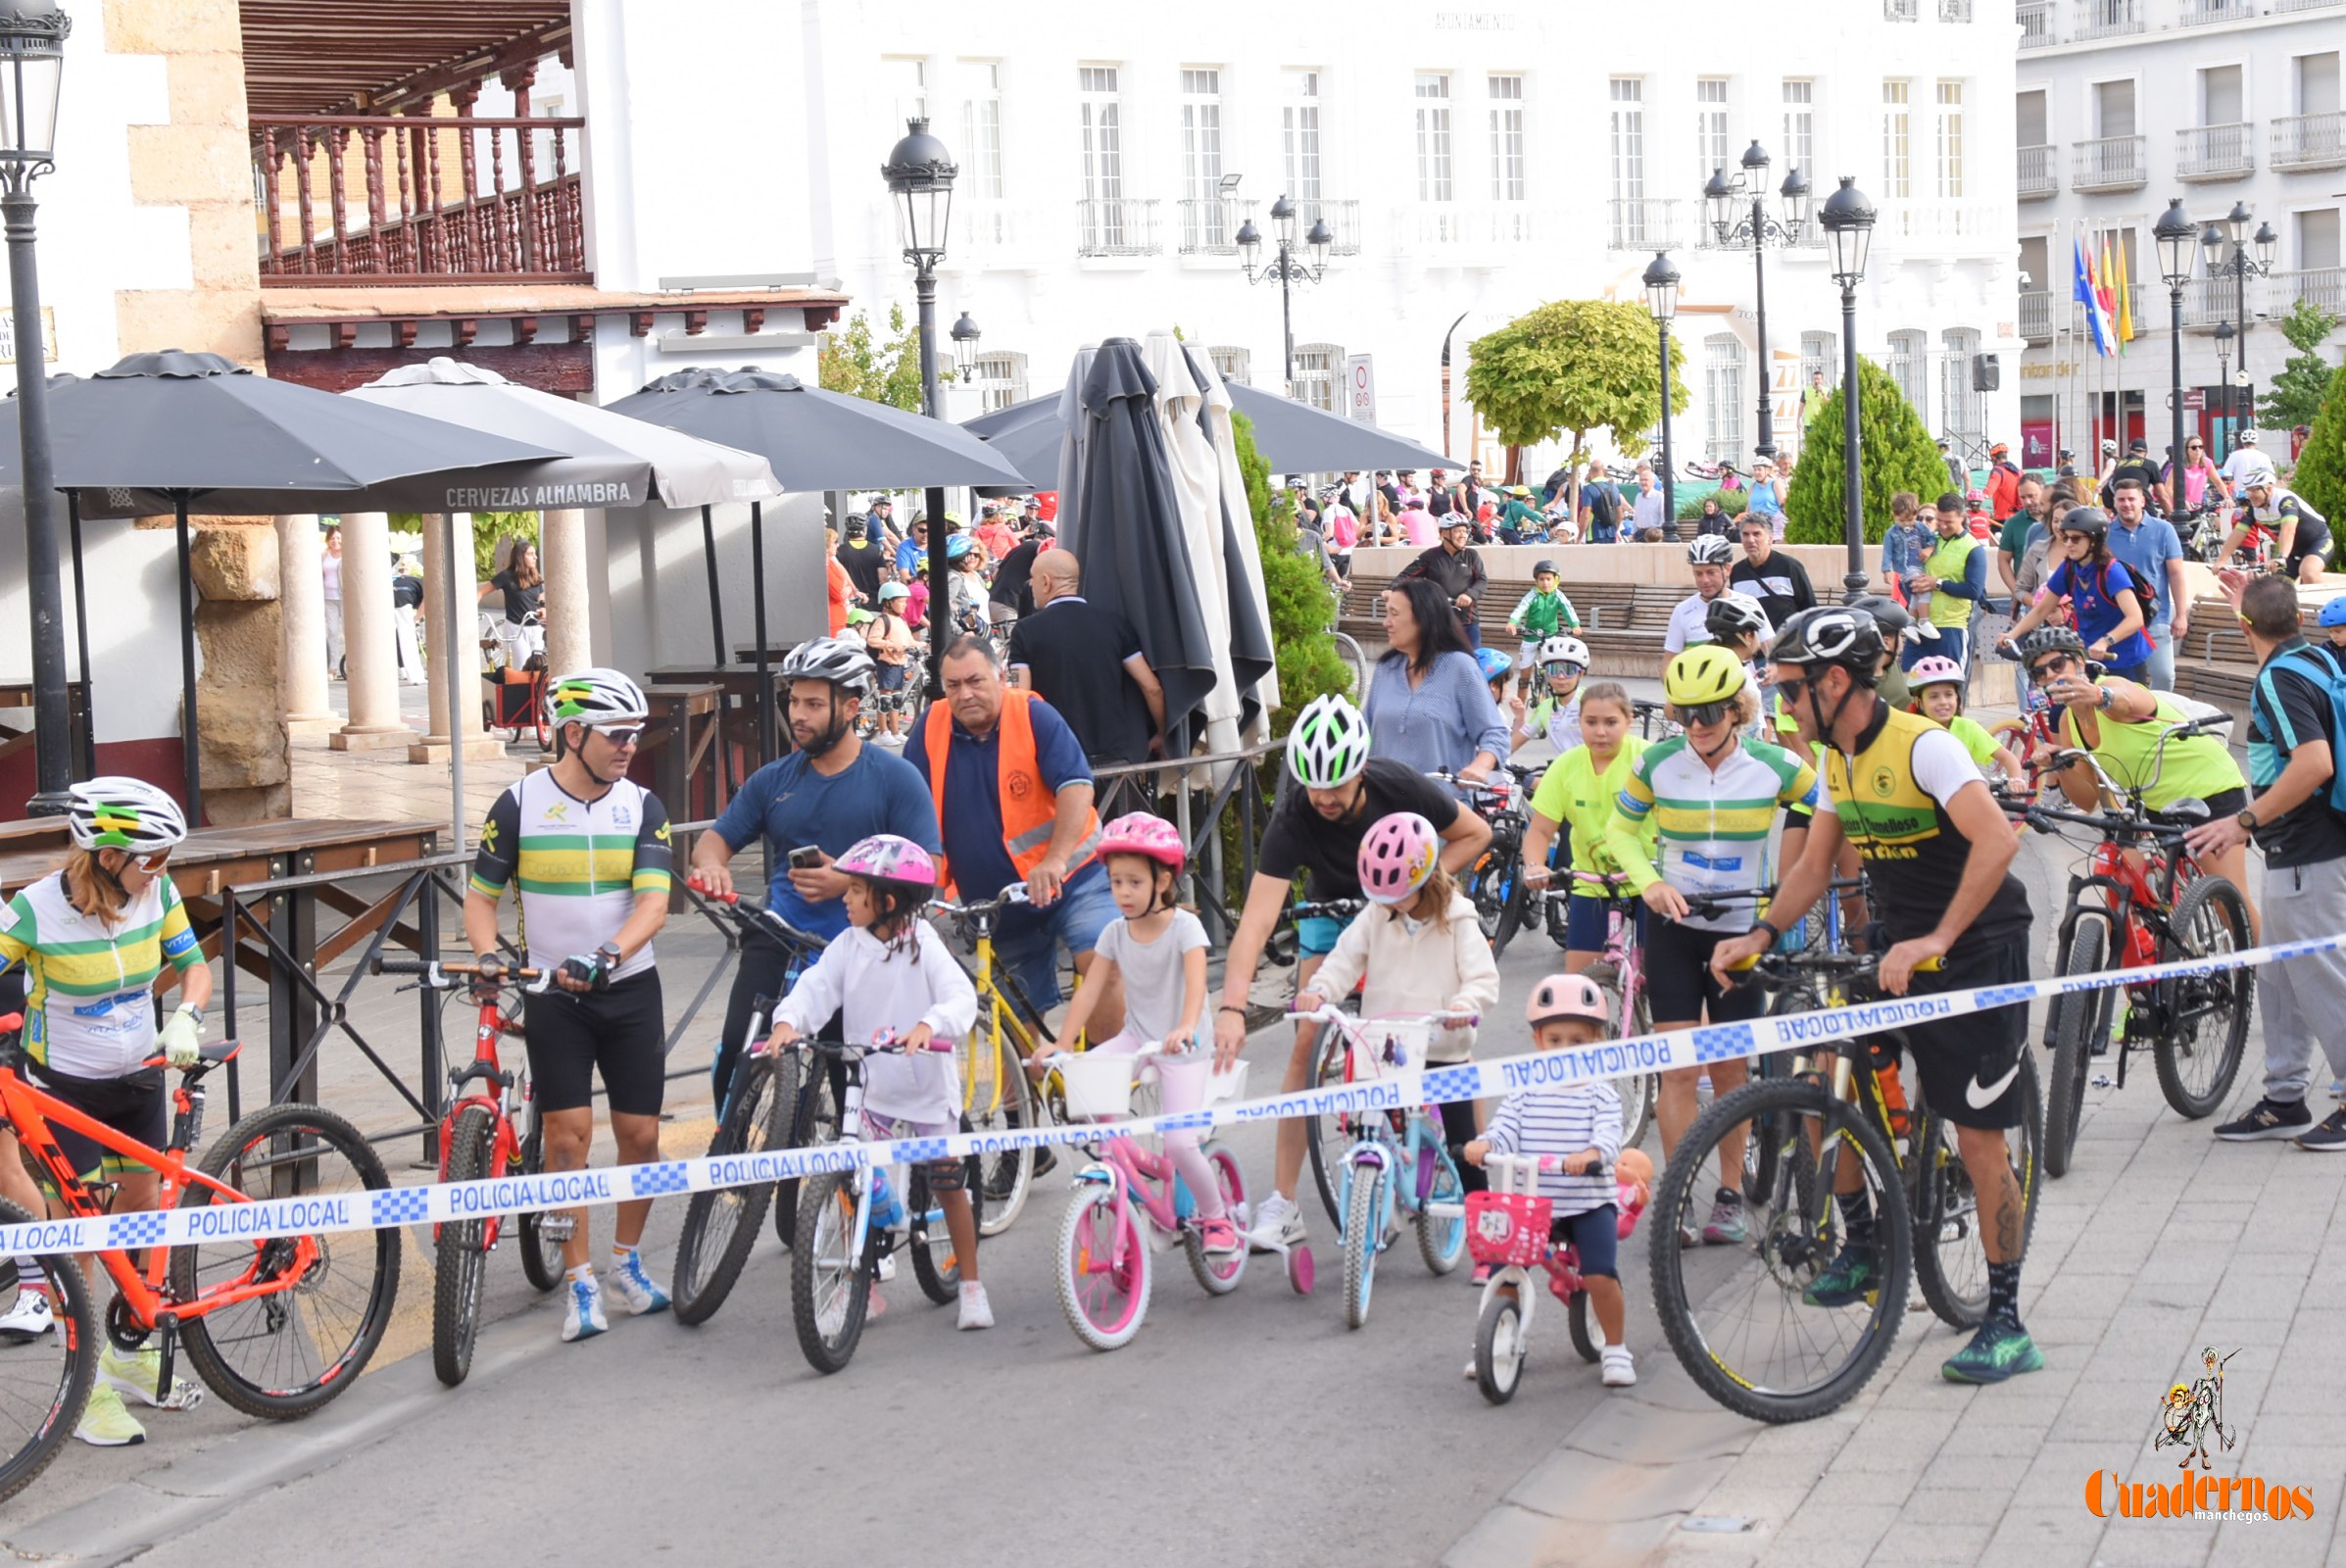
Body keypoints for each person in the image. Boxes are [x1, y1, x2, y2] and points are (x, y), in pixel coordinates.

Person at [1723, 605, 2040, 1384]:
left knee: (1978, 1138)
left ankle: (2006, 1318)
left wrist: (1936, 940)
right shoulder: (1836, 759)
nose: (1786, 707)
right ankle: (1862, 1245)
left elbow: (1999, 838)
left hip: (1976, 953)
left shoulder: (1923, 747)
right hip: (1897, 949)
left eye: (1794, 691)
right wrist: (1761, 936)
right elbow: (1811, 867)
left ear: (1837, 681)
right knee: (1830, 1070)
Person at [1215, 696, 1491, 1250]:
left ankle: (1470, 1171)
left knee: (1440, 1032)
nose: (1324, 799)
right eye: (1313, 786)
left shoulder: (1398, 786)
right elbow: (1254, 925)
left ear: (1362, 771)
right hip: (1330, 916)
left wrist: (1414, 887)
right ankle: (1285, 1202)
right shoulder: (1296, 814)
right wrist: (1230, 1008)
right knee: (1306, 1044)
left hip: (1405, 905)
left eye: (1337, 787)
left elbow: (1476, 834)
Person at [465, 668, 674, 1344]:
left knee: (640, 1136)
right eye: (617, 736)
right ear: (574, 733)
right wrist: (487, 953)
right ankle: (580, 1280)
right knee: (566, 1140)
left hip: (630, 988)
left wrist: (609, 954)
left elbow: (654, 902)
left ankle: (626, 1264)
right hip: (554, 994)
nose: (628, 748)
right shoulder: (518, 804)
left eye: (635, 735)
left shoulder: (643, 804)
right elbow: (480, 897)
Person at [0, 778, 212, 1445]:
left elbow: (195, 966)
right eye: (151, 855)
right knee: (82, 1236)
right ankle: (85, 1385)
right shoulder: (33, 910)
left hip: (139, 1077)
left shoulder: (159, 893)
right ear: (107, 854)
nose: (162, 867)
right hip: (66, 1085)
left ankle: (129, 1351)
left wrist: (186, 1013)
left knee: (143, 1213)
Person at [1606, 646, 1818, 1248]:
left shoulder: (1773, 765)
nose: (1698, 726)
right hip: (1673, 929)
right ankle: (1677, 1197)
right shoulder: (1658, 764)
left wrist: (1795, 861)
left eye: (1713, 712)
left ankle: (1728, 1193)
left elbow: (1825, 800)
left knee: (1728, 1071)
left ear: (1738, 709)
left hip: (1740, 934)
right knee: (1678, 1071)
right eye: (1687, 714)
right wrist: (1648, 883)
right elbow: (1620, 830)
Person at [690, 635, 939, 1099]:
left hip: (864, 948)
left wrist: (847, 880)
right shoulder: (774, 778)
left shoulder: (895, 778)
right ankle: (730, 1151)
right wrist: (712, 866)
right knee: (737, 1052)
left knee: (857, 1081)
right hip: (779, 934)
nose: (798, 714)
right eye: (793, 701)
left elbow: (930, 868)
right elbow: (713, 842)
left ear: (849, 708)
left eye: (813, 704)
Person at [763, 834, 992, 1329]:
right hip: (872, 1087)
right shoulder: (848, 946)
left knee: (949, 1181)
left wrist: (931, 1024)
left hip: (925, 1085)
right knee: (855, 1185)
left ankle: (972, 1285)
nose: (844, 897)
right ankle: (860, 1286)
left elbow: (960, 997)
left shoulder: (924, 945)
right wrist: (789, 1022)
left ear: (886, 901)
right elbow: (815, 987)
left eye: (854, 890)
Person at [2188, 575, 2346, 1147]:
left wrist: (2243, 820)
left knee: (2321, 975)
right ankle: (2284, 1098)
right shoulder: (2315, 658)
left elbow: (2313, 763)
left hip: (2309, 848)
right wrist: (2247, 605)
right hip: (2308, 847)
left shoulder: (2276, 678)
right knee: (2279, 975)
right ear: (2299, 621)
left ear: (2245, 628)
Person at [912, 635, 1122, 1036]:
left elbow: (1077, 786)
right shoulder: (931, 727)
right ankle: (1025, 1100)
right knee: (1015, 1030)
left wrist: (1055, 860)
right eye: (953, 685)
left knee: (1101, 965)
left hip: (1075, 880)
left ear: (1001, 677)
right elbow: (910, 805)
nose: (965, 694)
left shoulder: (1033, 715)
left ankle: (1105, 1080)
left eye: (975, 681)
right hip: (998, 904)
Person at [1294, 811, 1500, 1209]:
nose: (1389, 904)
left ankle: (1485, 1240)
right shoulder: (1377, 914)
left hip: (1443, 1047)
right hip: (1386, 1048)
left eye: (1398, 894)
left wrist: (1465, 1004)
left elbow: (1483, 978)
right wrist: (1319, 990)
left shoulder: (1458, 920)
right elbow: (1345, 959)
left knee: (1464, 1149)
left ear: (1427, 879)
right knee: (1367, 1128)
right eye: (1380, 895)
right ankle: (1375, 1204)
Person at [1050, 813, 1235, 1253]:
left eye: (1134, 882)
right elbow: (1089, 991)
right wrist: (1060, 1046)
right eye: (1116, 883)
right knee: (1084, 1086)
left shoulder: (1184, 928)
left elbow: (1196, 988)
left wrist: (1187, 1027)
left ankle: (1217, 1219)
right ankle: (1138, 1167)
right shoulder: (1115, 933)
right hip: (1138, 1036)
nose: (1123, 893)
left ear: (1163, 880)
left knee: (1181, 1143)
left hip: (1184, 1049)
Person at [1465, 973, 1636, 1388]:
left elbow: (1610, 1135)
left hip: (1587, 1200)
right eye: (1555, 1040)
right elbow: (1505, 1128)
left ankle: (1615, 1348)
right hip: (1533, 1203)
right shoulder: (1525, 1091)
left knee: (1599, 1274)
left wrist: (1593, 1155)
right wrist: (1485, 1143)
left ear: (1596, 1042)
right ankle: (1494, 1341)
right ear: (1538, 1042)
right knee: (1504, 1267)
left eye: (1577, 1041)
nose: (1565, 1050)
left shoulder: (1601, 1094)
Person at [2022, 626, 2254, 925]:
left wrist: (2099, 694)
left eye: (2058, 665)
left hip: (2207, 788)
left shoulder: (2111, 686)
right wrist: (2062, 764)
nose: (2051, 675)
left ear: (2079, 662)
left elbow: (2129, 700)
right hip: (2153, 802)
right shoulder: (2068, 721)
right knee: (2122, 884)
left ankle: (2261, 971)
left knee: (2230, 906)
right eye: (2040, 673)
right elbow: (2087, 798)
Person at [1520, 684, 1652, 975]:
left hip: (1650, 879)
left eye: (1611, 722)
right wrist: (1534, 866)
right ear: (1579, 721)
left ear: (1629, 722)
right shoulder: (1566, 766)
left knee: (1663, 979)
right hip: (1593, 879)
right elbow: (1540, 831)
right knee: (1577, 986)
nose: (1600, 732)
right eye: (1591, 722)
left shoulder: (1649, 760)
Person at [1007, 549, 1166, 767]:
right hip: (1115, 757)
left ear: (1045, 582)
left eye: (1032, 579)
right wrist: (1162, 733)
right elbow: (1152, 688)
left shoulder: (1025, 631)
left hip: (1058, 757)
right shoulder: (1114, 624)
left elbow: (1021, 698)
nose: (1030, 587)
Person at [1367, 576, 1510, 789]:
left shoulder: (1460, 668)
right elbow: (1363, 732)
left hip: (1442, 807)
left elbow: (1494, 732)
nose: (1386, 622)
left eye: (1394, 614)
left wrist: (1481, 765)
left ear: (1423, 618)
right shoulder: (1385, 669)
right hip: (1385, 804)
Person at [2002, 507, 2153, 684]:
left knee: (2118, 709)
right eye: (2065, 537)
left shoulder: (2111, 572)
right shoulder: (2069, 568)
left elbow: (2135, 618)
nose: (2068, 544)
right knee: (2065, 708)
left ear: (2094, 541)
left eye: (2075, 538)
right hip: (2087, 654)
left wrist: (2105, 641)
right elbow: (2042, 608)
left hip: (2123, 657)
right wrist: (2012, 634)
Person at [2104, 477, 2191, 691]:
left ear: (2142, 501)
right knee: (2125, 683)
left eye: (2131, 499)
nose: (2127, 504)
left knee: (2165, 676)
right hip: (2117, 620)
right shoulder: (2104, 534)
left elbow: (2176, 573)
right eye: (2121, 499)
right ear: (2114, 503)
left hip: (2155, 617)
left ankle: (2157, 718)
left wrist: (2180, 615)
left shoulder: (2164, 530)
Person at [1901, 494, 1991, 670]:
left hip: (1952, 628)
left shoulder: (1972, 548)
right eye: (1939, 520)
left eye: (1948, 522)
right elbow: (1905, 575)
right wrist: (1913, 584)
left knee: (1950, 688)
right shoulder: (1929, 541)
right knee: (1910, 688)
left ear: (1962, 517)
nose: (1942, 526)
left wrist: (1937, 584)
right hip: (1921, 628)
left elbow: (1974, 590)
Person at [1907, 656, 2024, 780]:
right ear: (1919, 703)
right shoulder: (1910, 731)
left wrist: (2016, 779)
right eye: (1934, 696)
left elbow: (2008, 758)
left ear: (1957, 698)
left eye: (1949, 694)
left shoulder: (1968, 728)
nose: (1943, 702)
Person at [1396, 514, 1491, 649]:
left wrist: (1470, 594)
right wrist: (1391, 589)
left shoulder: (1471, 555)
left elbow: (1482, 580)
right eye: (1458, 531)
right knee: (1436, 663)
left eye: (1465, 531)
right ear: (1444, 533)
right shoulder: (1430, 556)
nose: (1463, 535)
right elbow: (1406, 576)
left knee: (1471, 663)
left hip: (1467, 621)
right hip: (1438, 621)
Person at [2220, 474, 2332, 584]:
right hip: (2292, 551)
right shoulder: (2253, 508)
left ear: (2268, 489)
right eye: (2248, 490)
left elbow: (2288, 530)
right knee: (2275, 589)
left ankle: (2327, 603)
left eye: (2254, 490)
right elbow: (2238, 533)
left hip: (2318, 541)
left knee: (2308, 572)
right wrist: (2221, 561)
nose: (2250, 495)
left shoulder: (2286, 501)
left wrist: (2281, 556)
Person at [1730, 514, 1815, 632]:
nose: (1750, 540)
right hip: (1753, 647)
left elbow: (1809, 609)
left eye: (1757, 534)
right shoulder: (1737, 572)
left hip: (1786, 645)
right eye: (1745, 534)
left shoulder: (1789, 567)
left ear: (1770, 539)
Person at [1511, 634, 1592, 756]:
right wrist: (1520, 718)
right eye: (1554, 670)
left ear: (1580, 674)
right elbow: (1514, 743)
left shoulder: (1591, 700)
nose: (1560, 676)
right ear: (1546, 674)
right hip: (1562, 772)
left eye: (1568, 670)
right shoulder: (1545, 708)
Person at [1506, 559, 1579, 687]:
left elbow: (1568, 609)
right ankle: (1521, 704)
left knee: (1553, 672)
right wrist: (1512, 622)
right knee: (1524, 678)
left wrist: (1575, 625)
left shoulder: (1558, 595)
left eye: (1548, 579)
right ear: (1536, 581)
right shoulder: (1532, 595)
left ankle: (1549, 700)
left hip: (1551, 637)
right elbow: (1521, 608)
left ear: (1555, 579)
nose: (1545, 582)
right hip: (1530, 637)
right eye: (1541, 579)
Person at [860, 583, 917, 741]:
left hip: (899, 663)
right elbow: (872, 640)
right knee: (886, 698)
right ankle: (884, 731)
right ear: (888, 602)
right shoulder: (883, 620)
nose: (904, 605)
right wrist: (890, 645)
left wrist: (924, 645)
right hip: (886, 664)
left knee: (897, 699)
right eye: (901, 601)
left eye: (905, 601)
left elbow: (910, 641)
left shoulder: (901, 621)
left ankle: (895, 730)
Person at [1664, 536, 1740, 653]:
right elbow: (1669, 661)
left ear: (1727, 570)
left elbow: (1769, 653)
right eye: (1698, 574)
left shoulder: (1747, 604)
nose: (1705, 580)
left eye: (1711, 572)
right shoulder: (1682, 611)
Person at [481, 537, 547, 670]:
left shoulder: (535, 575)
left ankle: (537, 691)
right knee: (522, 665)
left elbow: (541, 595)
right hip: (516, 627)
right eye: (530, 554)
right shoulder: (507, 576)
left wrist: (542, 608)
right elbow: (481, 592)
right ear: (520, 557)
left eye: (535, 554)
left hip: (535, 626)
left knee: (539, 665)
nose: (535, 557)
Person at [1881, 493, 1936, 608]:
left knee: (1915, 600)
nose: (1906, 524)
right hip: (1906, 570)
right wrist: (1886, 570)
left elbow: (1933, 538)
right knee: (1924, 594)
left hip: (1922, 567)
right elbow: (1887, 553)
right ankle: (1924, 620)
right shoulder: (1891, 533)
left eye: (1910, 520)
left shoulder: (1920, 527)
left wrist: (1930, 548)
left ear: (1915, 515)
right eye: (1902, 521)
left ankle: (1914, 622)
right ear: (1895, 516)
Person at [990, 519, 1046, 629]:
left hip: (995, 600)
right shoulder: (1037, 548)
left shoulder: (1020, 547)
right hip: (1010, 605)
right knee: (1013, 644)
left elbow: (995, 574)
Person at [2163, 436, 2226, 516]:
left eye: (2200, 447)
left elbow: (2218, 482)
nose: (2198, 450)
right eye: (2193, 447)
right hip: (2179, 508)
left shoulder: (2207, 463)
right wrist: (2181, 502)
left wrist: (2227, 497)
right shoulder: (2179, 465)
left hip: (2196, 506)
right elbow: (2168, 488)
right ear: (2187, 450)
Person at [836, 514, 890, 605]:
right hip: (873, 601)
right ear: (865, 530)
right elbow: (883, 578)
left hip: (851, 602)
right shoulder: (876, 550)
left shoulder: (839, 551)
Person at [2099, 437, 2163, 512]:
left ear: (2130, 451)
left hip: (2122, 511)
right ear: (2146, 453)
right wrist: (2173, 520)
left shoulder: (2120, 464)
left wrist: (2100, 483)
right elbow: (2161, 495)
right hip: (2144, 509)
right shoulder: (2150, 464)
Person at [2217, 427, 2275, 495]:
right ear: (2256, 442)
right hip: (2258, 493)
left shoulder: (2235, 455)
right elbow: (2271, 475)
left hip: (2240, 493)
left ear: (2242, 442)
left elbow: (2226, 473)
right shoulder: (2264, 456)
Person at [321, 522, 345, 680]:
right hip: (329, 598)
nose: (335, 541)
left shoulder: (347, 554)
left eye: (337, 537)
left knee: (348, 631)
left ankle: (348, 664)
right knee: (332, 632)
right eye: (332, 538)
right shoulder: (324, 555)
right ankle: (333, 666)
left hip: (344, 597)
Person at [1743, 456, 1787, 539]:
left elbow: (1784, 505)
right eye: (1755, 469)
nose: (1756, 472)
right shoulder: (1752, 486)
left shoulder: (1775, 484)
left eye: (1759, 469)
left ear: (1767, 470)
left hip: (1773, 529)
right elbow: (1748, 508)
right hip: (1756, 528)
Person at [824, 521, 855, 637]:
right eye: (835, 542)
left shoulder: (831, 562)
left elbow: (846, 586)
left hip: (839, 618)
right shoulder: (825, 565)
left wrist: (848, 587)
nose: (838, 545)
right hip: (833, 621)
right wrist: (846, 586)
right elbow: (838, 592)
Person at [1984, 441, 2024, 520]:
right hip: (2020, 515)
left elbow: (1989, 491)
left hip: (2002, 517)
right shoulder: (2020, 472)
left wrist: (1976, 497)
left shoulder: (1997, 471)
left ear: (1994, 458)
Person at [1628, 466, 1668, 539]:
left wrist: (1659, 534)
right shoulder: (1638, 497)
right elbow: (1636, 517)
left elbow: (1663, 517)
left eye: (1646, 480)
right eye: (1641, 480)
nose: (1643, 482)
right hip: (1640, 534)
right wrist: (1633, 533)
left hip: (1654, 534)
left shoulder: (1659, 497)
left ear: (1653, 483)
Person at [893, 512, 927, 577]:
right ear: (913, 530)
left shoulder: (937, 546)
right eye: (922, 530)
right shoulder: (904, 547)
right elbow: (904, 576)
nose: (925, 534)